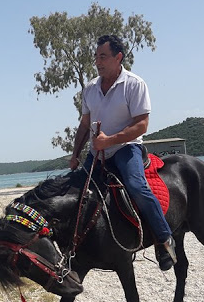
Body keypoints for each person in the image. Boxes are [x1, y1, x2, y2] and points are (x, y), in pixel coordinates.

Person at [69, 34, 177, 271]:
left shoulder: (135, 84)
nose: (97, 62)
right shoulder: (89, 89)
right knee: (75, 191)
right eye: (96, 57)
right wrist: (75, 154)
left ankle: (164, 238)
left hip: (126, 148)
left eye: (103, 57)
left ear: (118, 57)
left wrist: (109, 141)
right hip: (98, 151)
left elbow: (142, 125)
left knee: (137, 186)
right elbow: (85, 124)